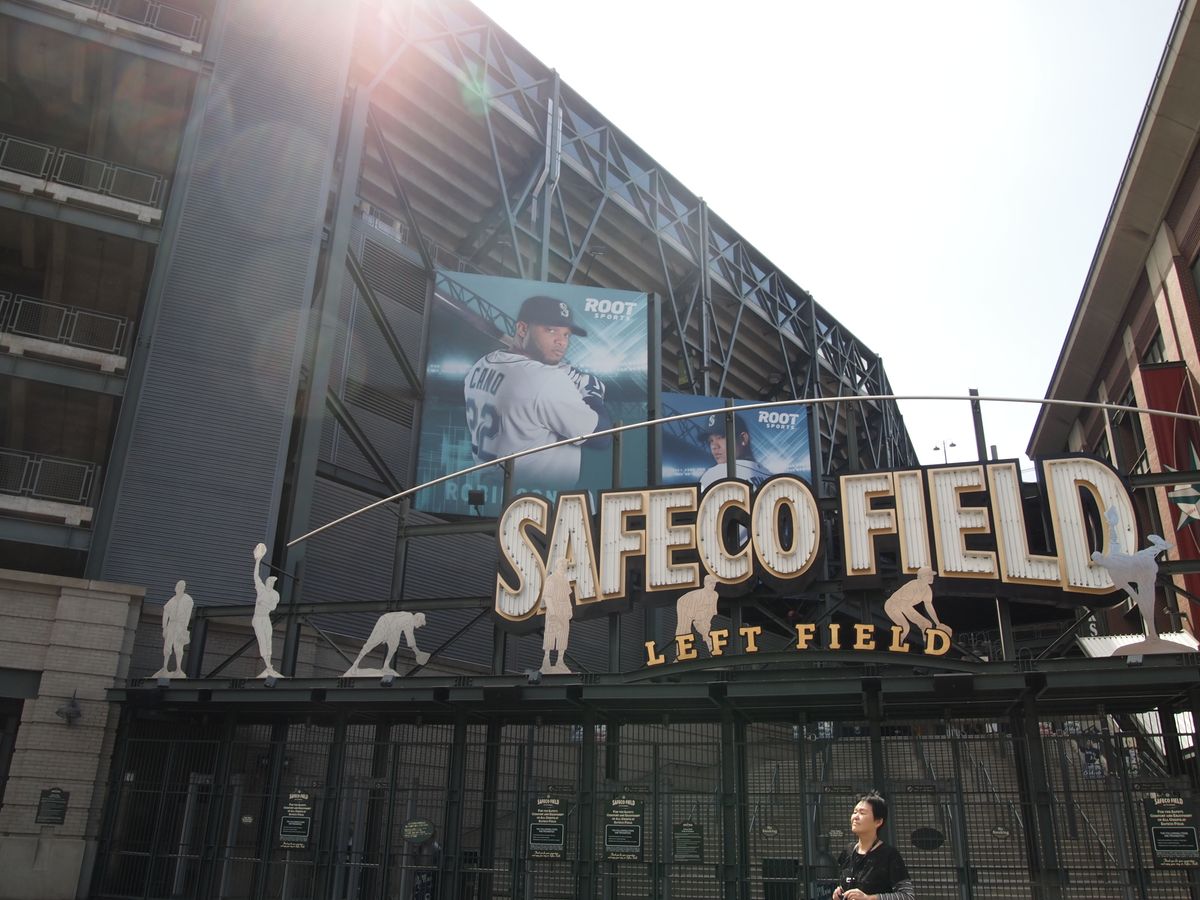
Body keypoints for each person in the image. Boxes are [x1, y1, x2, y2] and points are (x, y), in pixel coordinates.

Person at [464, 295, 611, 489]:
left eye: (566, 334)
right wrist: (592, 393)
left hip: (492, 492)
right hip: (540, 499)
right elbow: (602, 437)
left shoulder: (481, 365)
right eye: (551, 330)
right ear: (522, 329)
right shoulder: (547, 380)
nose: (561, 342)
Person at [833, 793, 914, 900]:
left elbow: (907, 896)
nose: (855, 817)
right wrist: (839, 891)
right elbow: (843, 883)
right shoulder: (848, 851)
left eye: (862, 813)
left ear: (878, 821)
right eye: (855, 812)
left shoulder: (889, 855)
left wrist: (869, 898)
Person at [698, 412, 772, 490]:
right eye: (711, 441)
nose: (714, 446)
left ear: (743, 438)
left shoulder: (714, 474)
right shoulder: (770, 476)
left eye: (721, 437)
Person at [252, 542, 281, 679]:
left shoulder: (274, 594)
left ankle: (269, 666)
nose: (271, 583)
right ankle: (268, 666)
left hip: (265, 618)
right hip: (258, 618)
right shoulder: (261, 589)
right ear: (267, 582)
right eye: (270, 581)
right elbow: (256, 576)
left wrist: (264, 603)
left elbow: (273, 607)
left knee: (268, 639)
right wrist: (258, 561)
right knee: (262, 641)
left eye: (273, 582)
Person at [540, 558, 574, 673]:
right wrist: (553, 613)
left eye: (565, 565)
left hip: (564, 610)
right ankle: (546, 659)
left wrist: (570, 609)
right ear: (557, 565)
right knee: (550, 633)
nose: (563, 567)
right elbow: (547, 597)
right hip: (554, 608)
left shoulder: (565, 580)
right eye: (561, 564)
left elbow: (567, 597)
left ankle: (560, 660)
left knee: (563, 634)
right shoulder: (551, 579)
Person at [158, 580, 194, 677]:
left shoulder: (187, 599)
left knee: (178, 647)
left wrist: (185, 627)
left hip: (180, 625)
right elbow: (166, 612)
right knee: (167, 646)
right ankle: (164, 667)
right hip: (171, 624)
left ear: (184, 588)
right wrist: (164, 627)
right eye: (178, 586)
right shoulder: (172, 600)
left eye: (181, 587)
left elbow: (188, 614)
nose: (179, 588)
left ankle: (178, 668)